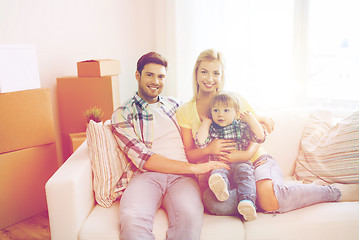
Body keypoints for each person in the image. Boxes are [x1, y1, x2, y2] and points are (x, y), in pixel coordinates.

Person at [176, 48, 342, 216]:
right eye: (204, 72)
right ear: (196, 73)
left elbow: (258, 131)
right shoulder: (185, 111)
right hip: (226, 174)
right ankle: (252, 196)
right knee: (215, 204)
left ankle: (329, 191)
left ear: (221, 76)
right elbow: (189, 154)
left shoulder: (233, 100)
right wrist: (209, 150)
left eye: (216, 73)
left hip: (256, 161)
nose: (210, 78)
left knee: (268, 201)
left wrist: (245, 154)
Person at [111, 52, 229, 240]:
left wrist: (256, 118)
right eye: (149, 75)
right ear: (137, 75)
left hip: (182, 179)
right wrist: (195, 168)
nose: (155, 81)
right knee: (132, 219)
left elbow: (218, 113)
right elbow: (144, 159)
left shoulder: (176, 104)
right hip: (146, 177)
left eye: (161, 76)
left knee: (190, 218)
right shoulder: (122, 114)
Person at [195, 91, 266, 221]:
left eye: (226, 110)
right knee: (217, 172)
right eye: (216, 110)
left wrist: (251, 120)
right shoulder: (212, 129)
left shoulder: (241, 127)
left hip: (241, 162)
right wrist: (206, 122)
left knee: (245, 174)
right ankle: (221, 188)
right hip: (221, 164)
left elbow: (260, 137)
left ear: (236, 113)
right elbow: (200, 143)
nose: (220, 114)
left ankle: (247, 202)